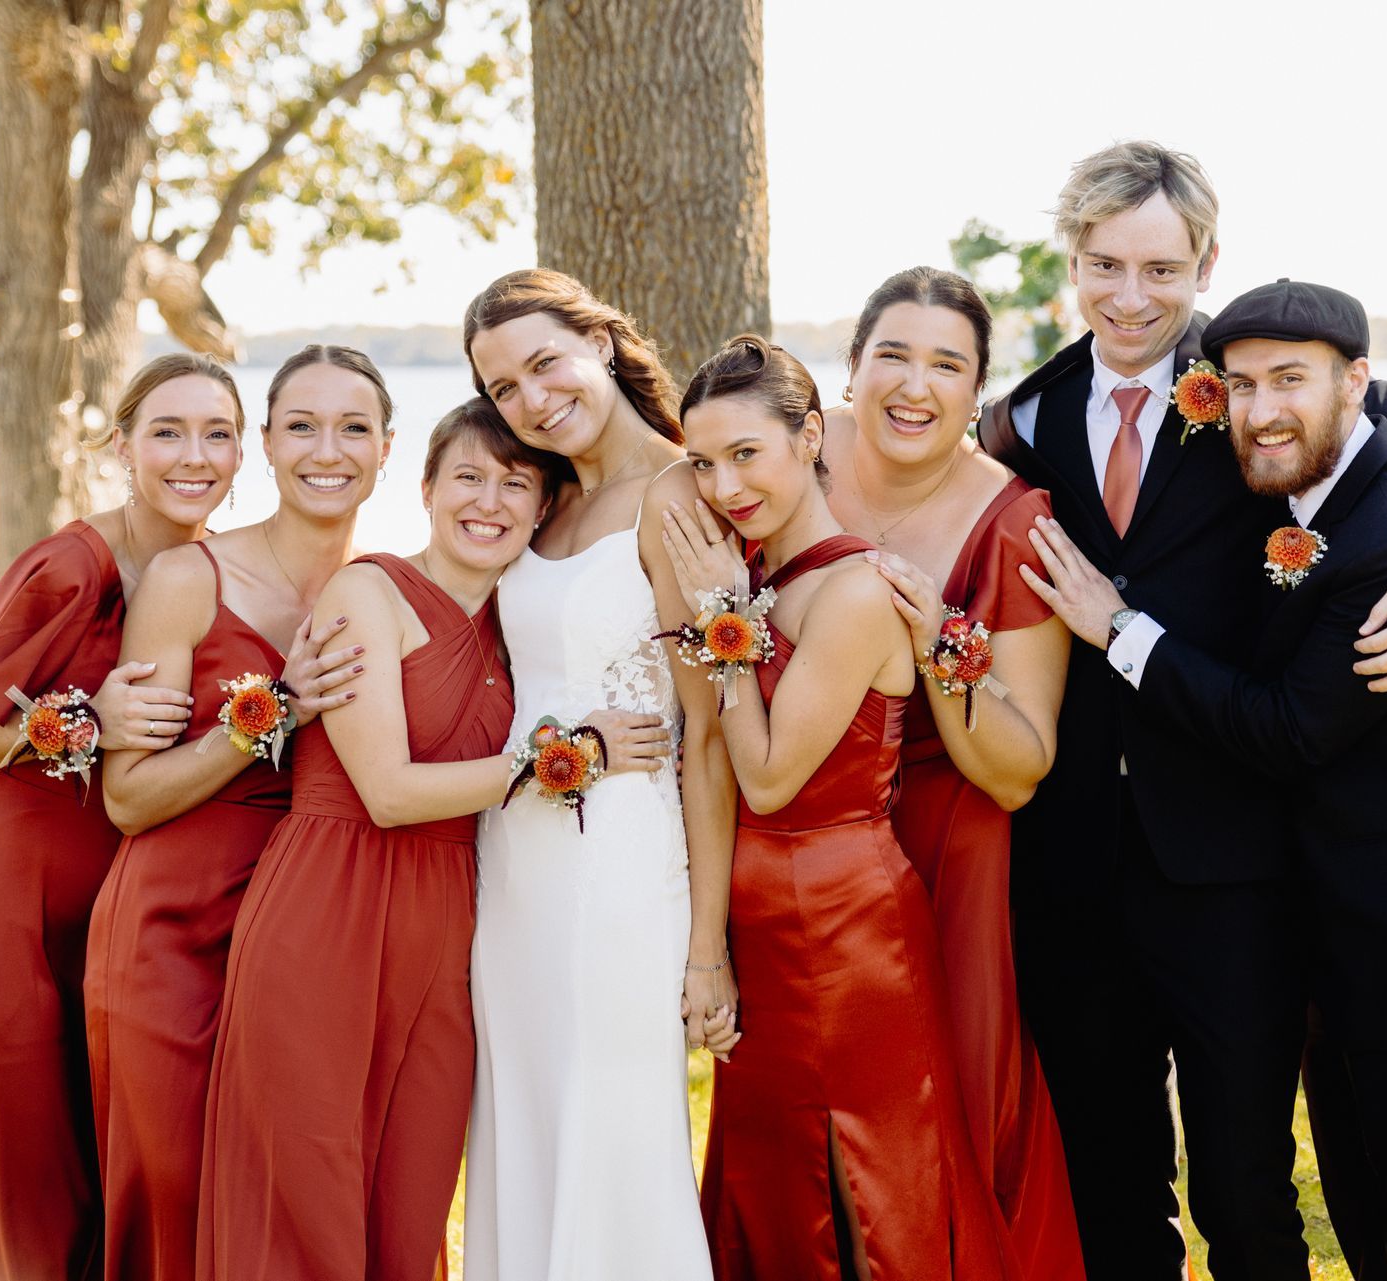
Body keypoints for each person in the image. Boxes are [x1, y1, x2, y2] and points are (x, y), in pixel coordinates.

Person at [974, 141, 1387, 1279]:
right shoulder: (1022, 418)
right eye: (1102, 266)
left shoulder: (1259, 377)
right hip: (1073, 859)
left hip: (1233, 856)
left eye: (1160, 270)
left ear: (1204, 264)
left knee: (1244, 1182)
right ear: (1070, 264)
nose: (1130, 297)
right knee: (1110, 1177)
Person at [197, 399, 671, 1280]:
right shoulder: (366, 592)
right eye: (468, 477)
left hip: (449, 932)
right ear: (424, 487)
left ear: (542, 510)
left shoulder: (518, 629)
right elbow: (386, 791)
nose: (488, 501)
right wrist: (570, 755)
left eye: (515, 483)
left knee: (411, 1204)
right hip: (327, 913)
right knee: (310, 1195)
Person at [0, 355, 240, 1281]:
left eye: (216, 433)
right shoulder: (68, 565)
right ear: (122, 448)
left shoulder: (214, 573)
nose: (194, 455)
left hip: (123, 917)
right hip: (11, 916)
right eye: (168, 432)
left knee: (108, 1190)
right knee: (16, 1201)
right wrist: (83, 722)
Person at [669, 335, 1013, 1280]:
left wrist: (717, 622)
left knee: (865, 1182)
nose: (725, 485)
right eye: (704, 462)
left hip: (845, 921)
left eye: (747, 454)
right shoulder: (761, 582)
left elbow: (772, 777)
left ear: (809, 434)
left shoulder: (856, 588)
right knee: (776, 1175)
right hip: (764, 915)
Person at [83, 345, 383, 1281]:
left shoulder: (381, 586)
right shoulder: (190, 578)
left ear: (384, 451)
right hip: (171, 931)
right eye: (302, 425)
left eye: (353, 428)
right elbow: (128, 797)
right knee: (174, 1196)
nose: (326, 450)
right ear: (268, 446)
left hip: (305, 934)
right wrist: (274, 712)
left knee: (289, 1200)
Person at [461, 270, 733, 1279]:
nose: (531, 401)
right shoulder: (546, 500)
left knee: (613, 1142)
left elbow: (706, 738)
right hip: (515, 871)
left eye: (544, 364)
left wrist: (706, 949)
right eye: (503, 389)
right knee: (525, 1128)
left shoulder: (677, 493)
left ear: (603, 343)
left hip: (621, 868)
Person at [820, 267, 1083, 1277]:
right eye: (892, 354)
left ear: (978, 393)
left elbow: (1020, 769)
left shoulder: (1016, 521)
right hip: (793, 830)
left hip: (944, 849)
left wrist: (939, 642)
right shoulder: (793, 456)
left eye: (946, 365)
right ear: (850, 371)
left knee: (942, 1119)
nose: (913, 385)